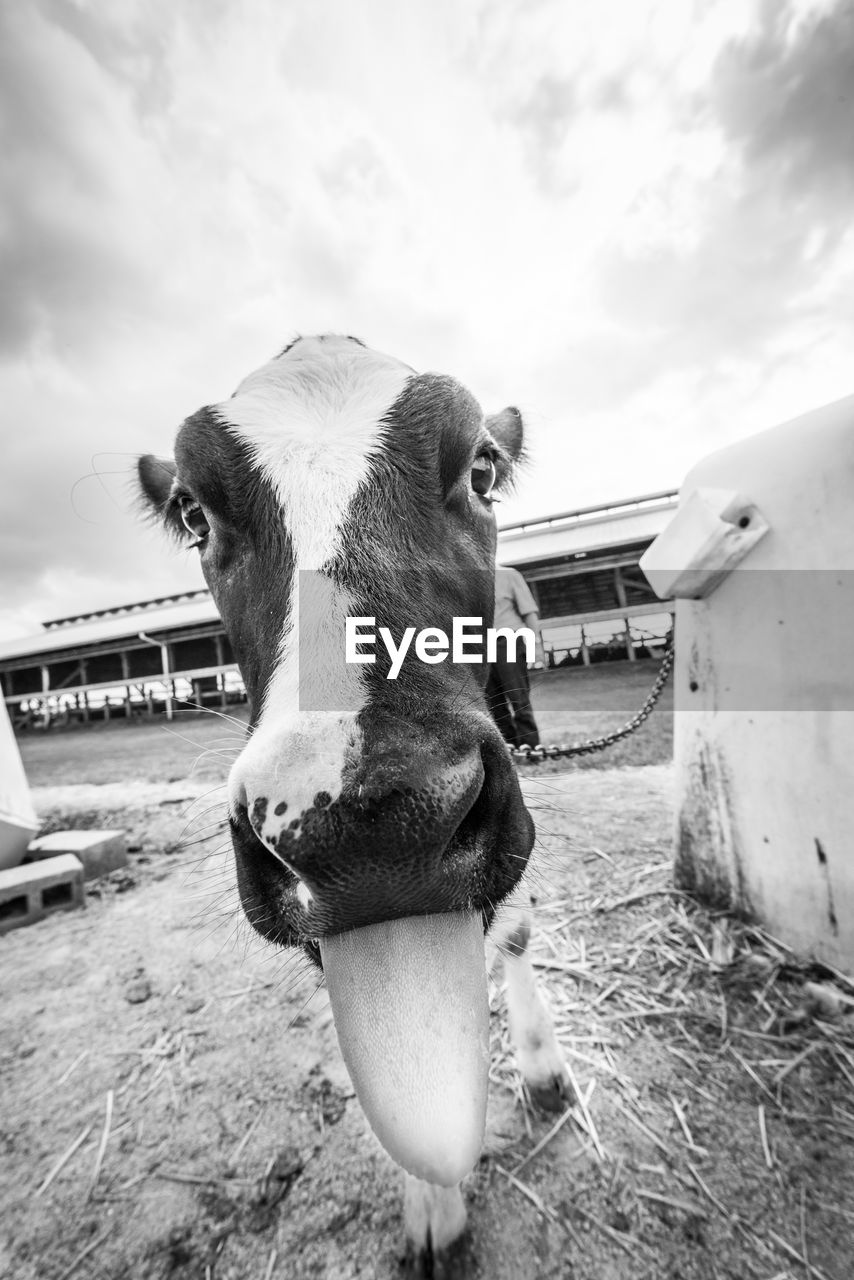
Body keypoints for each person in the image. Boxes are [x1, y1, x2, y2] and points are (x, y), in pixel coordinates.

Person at [485, 563, 543, 751]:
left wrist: (535, 644)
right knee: (493, 702)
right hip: (481, 645)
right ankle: (509, 750)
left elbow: (529, 613)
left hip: (507, 640)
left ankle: (530, 747)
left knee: (518, 697)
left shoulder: (508, 575)